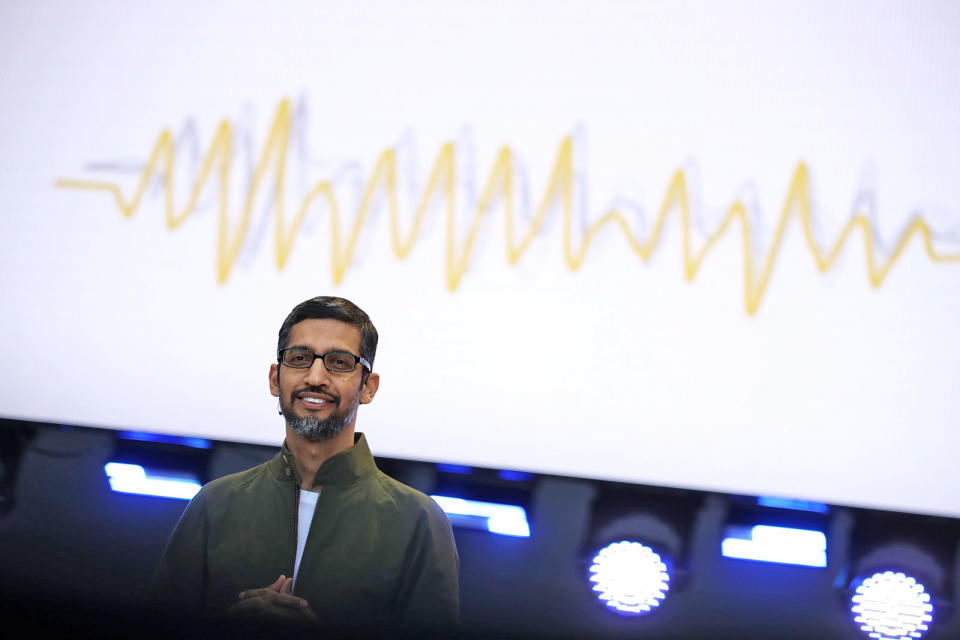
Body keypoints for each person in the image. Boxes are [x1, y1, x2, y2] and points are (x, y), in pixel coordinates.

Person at [149, 296, 460, 637]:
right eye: (299, 359)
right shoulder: (214, 504)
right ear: (274, 378)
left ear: (368, 387)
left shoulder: (418, 520)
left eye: (338, 363)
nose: (315, 377)